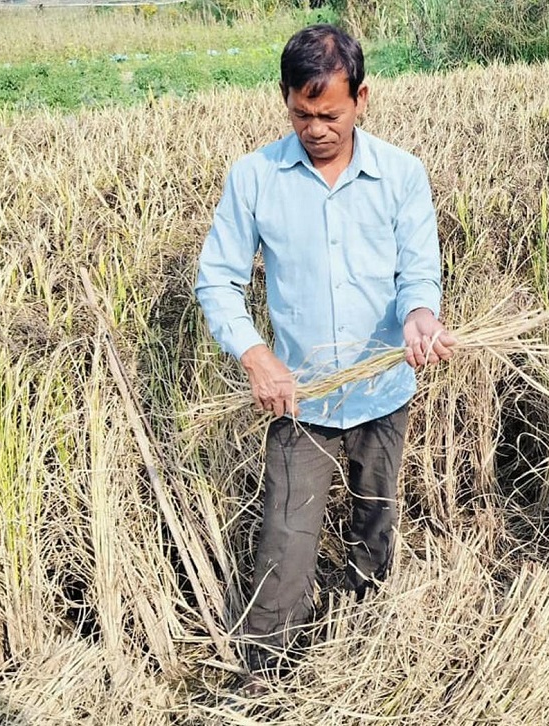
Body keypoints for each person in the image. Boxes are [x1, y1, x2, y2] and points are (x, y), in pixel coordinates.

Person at [194, 24, 456, 678]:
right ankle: (264, 680)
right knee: (284, 546)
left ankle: (371, 654)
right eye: (301, 114)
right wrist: (257, 356)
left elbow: (418, 273)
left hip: (382, 393)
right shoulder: (254, 178)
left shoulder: (401, 175)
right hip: (300, 399)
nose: (316, 129)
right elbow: (217, 280)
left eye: (330, 114)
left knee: (376, 528)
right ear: (284, 99)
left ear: (362, 98)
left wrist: (422, 318)